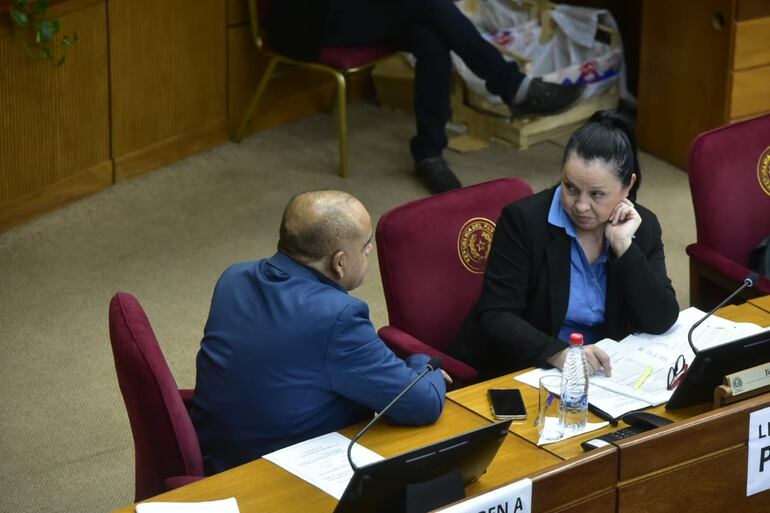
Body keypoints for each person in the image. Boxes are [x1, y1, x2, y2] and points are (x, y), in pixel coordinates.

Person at [190, 190, 448, 474]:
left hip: (217, 455)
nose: (369, 251)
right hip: (280, 477)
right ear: (339, 262)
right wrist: (423, 364)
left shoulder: (234, 277)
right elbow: (421, 403)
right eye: (365, 246)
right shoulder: (338, 316)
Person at [447, 110, 679, 380]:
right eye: (570, 188)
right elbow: (497, 314)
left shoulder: (643, 226)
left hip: (604, 374)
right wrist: (560, 354)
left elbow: (661, 319)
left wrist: (624, 248)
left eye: (596, 195)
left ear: (628, 186)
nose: (580, 206)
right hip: (531, 369)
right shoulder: (524, 221)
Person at [267, 0, 584, 195]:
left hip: (352, 11)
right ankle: (512, 86)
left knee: (429, 36)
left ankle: (429, 153)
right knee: (429, 4)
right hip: (310, 22)